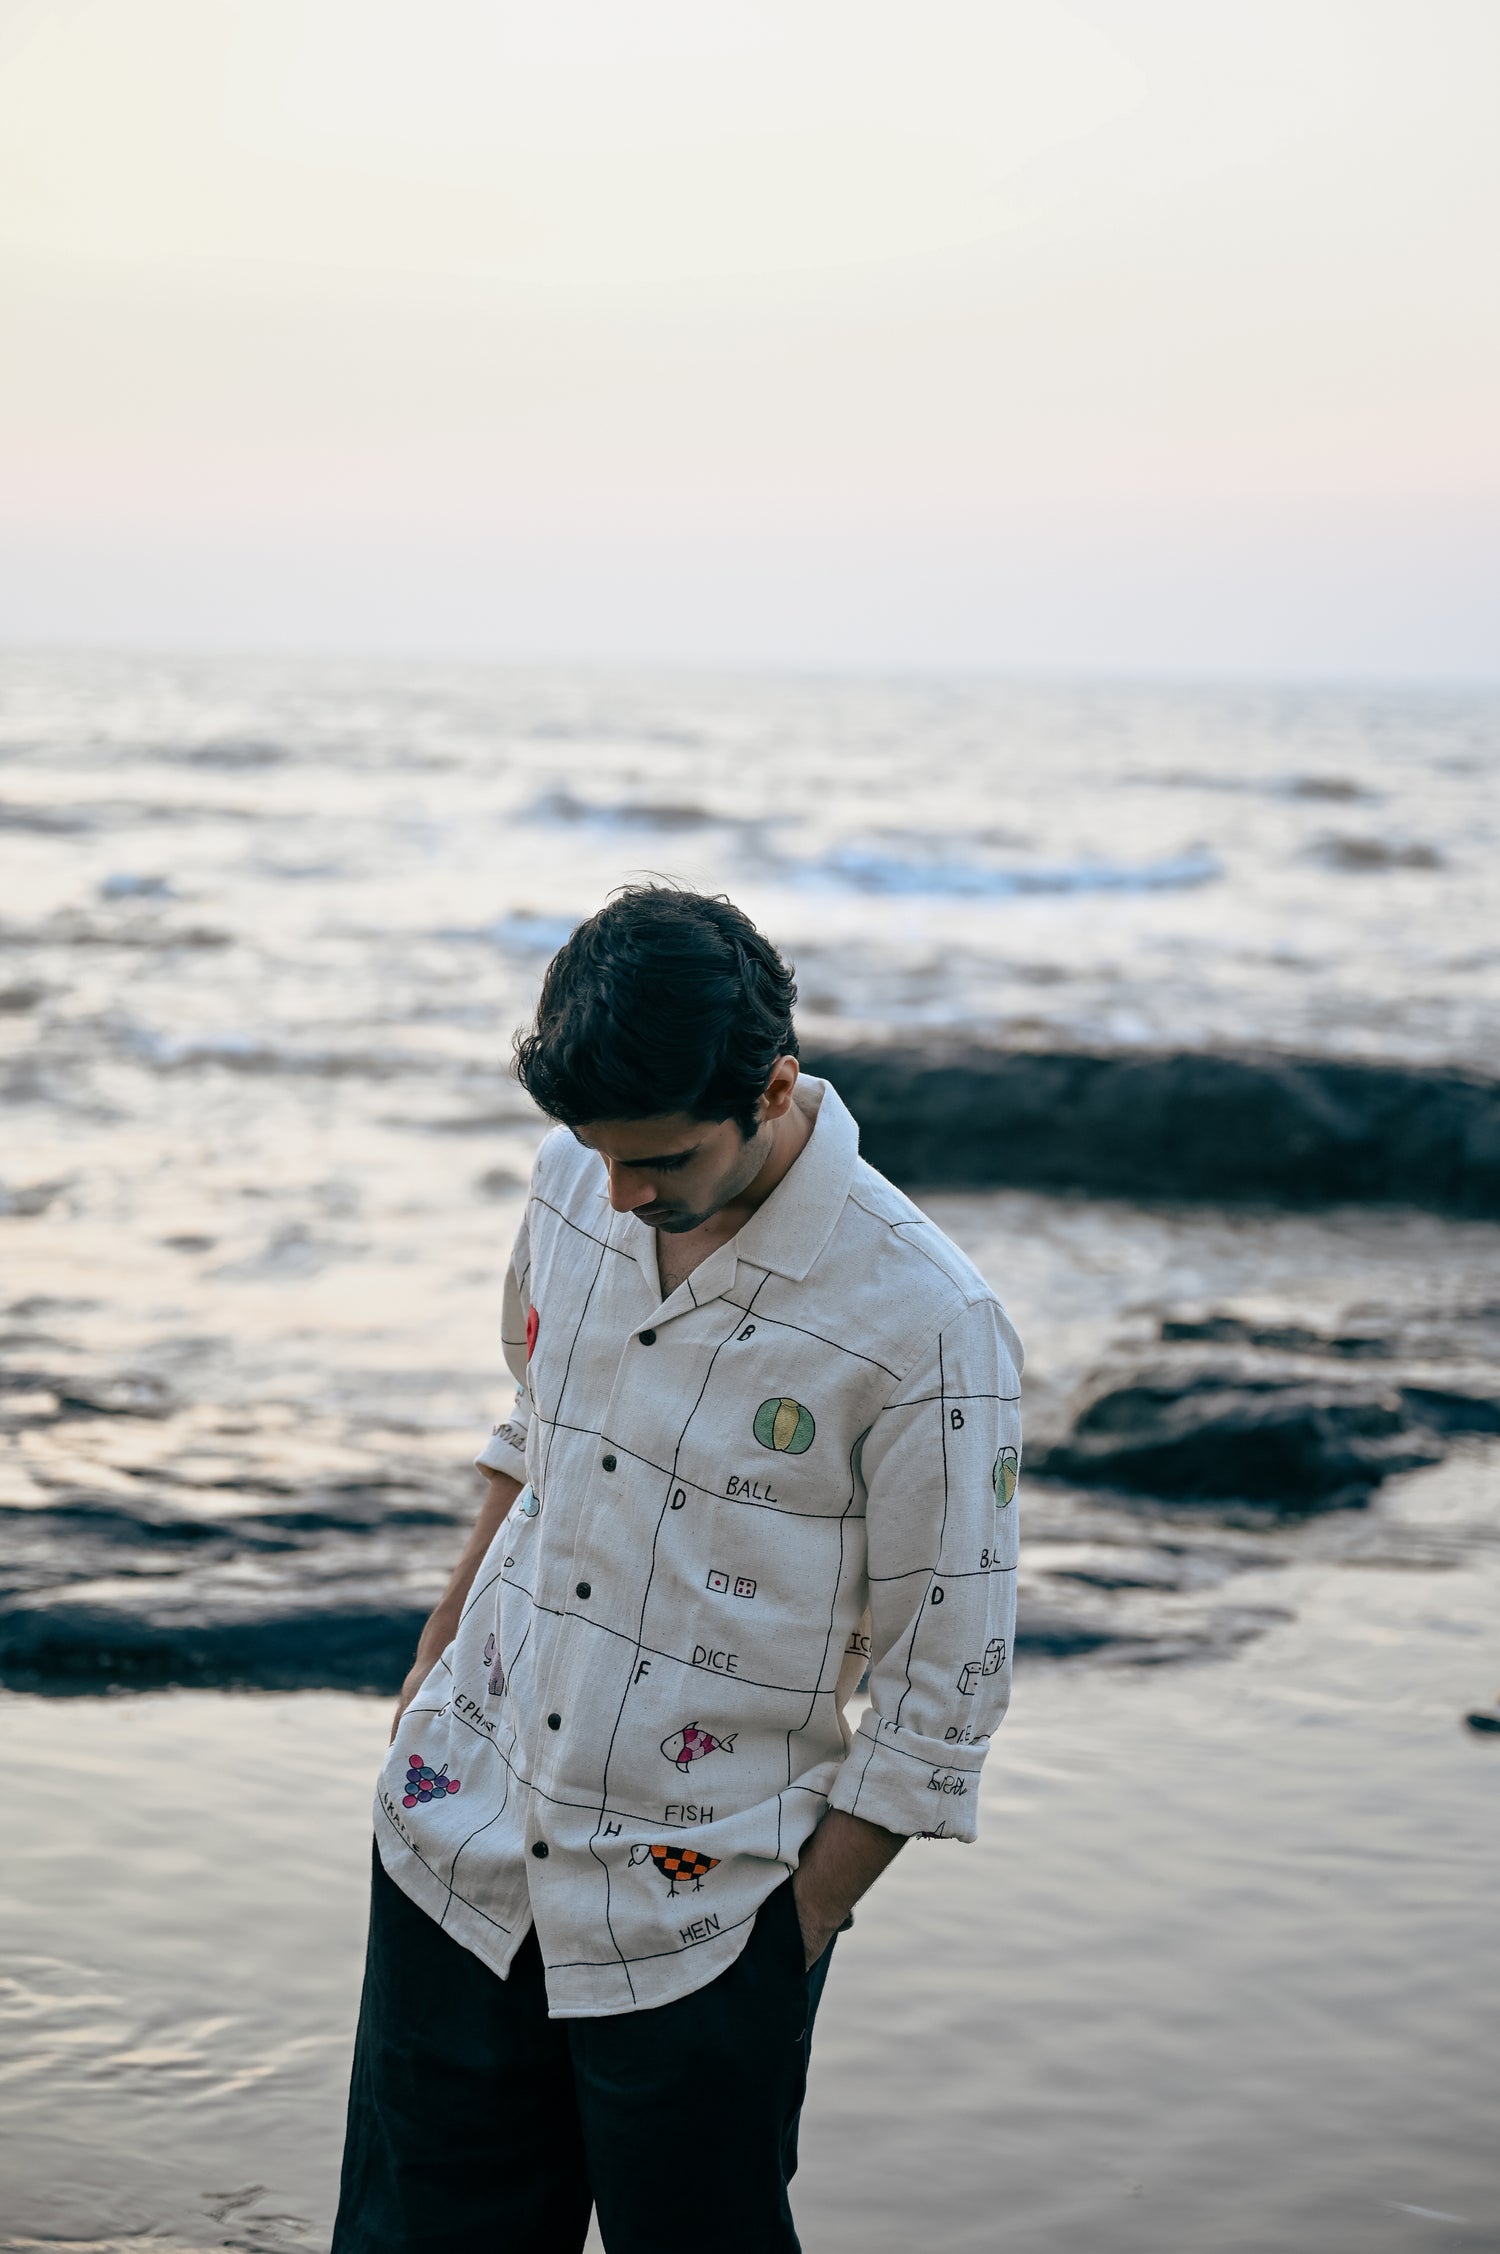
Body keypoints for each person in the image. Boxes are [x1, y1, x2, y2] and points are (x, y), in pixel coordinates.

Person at [332, 884, 1022, 2254]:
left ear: (771, 1089)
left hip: (704, 1912)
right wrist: (435, 1652)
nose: (621, 1192)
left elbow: (948, 1685)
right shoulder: (573, 1184)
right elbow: (536, 1424)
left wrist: (796, 1933)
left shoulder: (928, 1322)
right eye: (595, 1151)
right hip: (455, 1842)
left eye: (658, 1162)